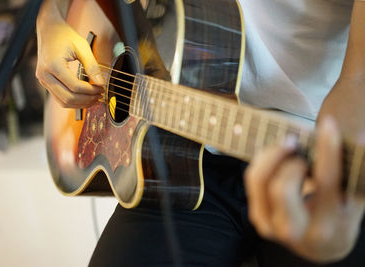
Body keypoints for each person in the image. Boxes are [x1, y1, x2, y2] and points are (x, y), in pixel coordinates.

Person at [36, 0, 365, 266]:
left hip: (308, 159)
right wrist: (49, 20)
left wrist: (332, 196)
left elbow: (358, 80)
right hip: (174, 149)